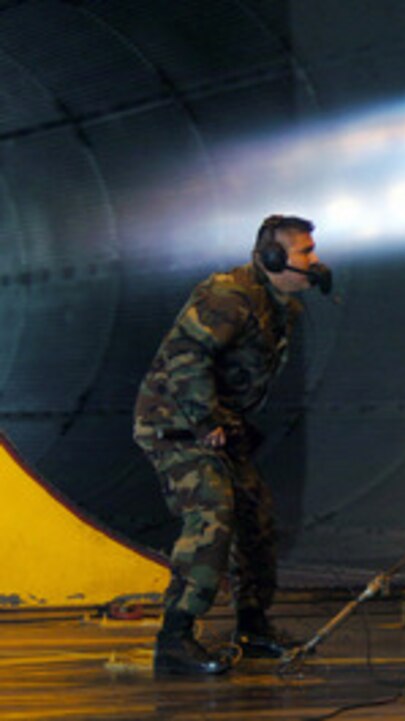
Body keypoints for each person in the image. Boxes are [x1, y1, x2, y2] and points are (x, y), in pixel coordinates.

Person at [133, 214, 331, 676]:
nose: (315, 260)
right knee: (212, 512)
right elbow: (188, 355)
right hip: (175, 422)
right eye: (305, 253)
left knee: (255, 516)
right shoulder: (230, 296)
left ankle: (253, 626)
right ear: (273, 257)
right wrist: (205, 419)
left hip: (218, 423)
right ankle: (175, 639)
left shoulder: (281, 304)